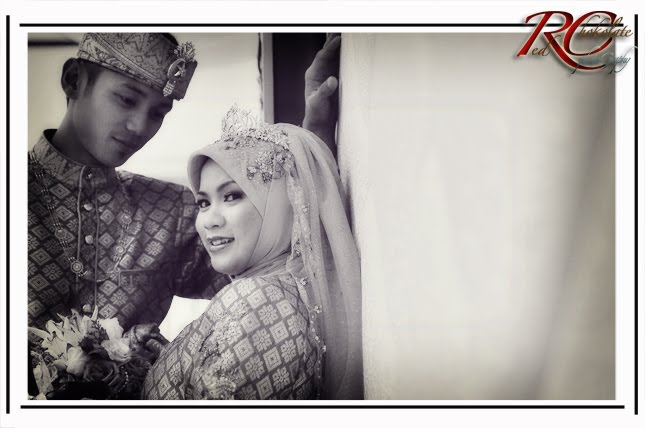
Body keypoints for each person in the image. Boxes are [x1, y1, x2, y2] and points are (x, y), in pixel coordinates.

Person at [27, 32, 341, 396]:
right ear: (73, 80)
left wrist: (313, 138)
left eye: (158, 113)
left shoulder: (172, 210)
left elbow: (287, 259)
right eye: (126, 99)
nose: (139, 127)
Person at [142, 106, 362, 400]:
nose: (209, 221)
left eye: (231, 196)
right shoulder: (280, 292)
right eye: (203, 202)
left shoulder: (257, 301)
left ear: (281, 203)